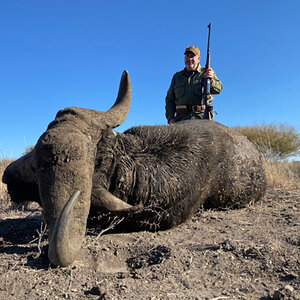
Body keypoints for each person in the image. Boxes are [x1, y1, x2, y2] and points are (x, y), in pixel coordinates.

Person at [165, 46, 223, 124]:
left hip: (202, 118)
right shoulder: (177, 77)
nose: (189, 59)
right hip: (180, 120)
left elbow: (218, 89)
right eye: (187, 56)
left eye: (192, 56)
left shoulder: (206, 72)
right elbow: (169, 99)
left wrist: (211, 80)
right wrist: (170, 118)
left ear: (198, 58)